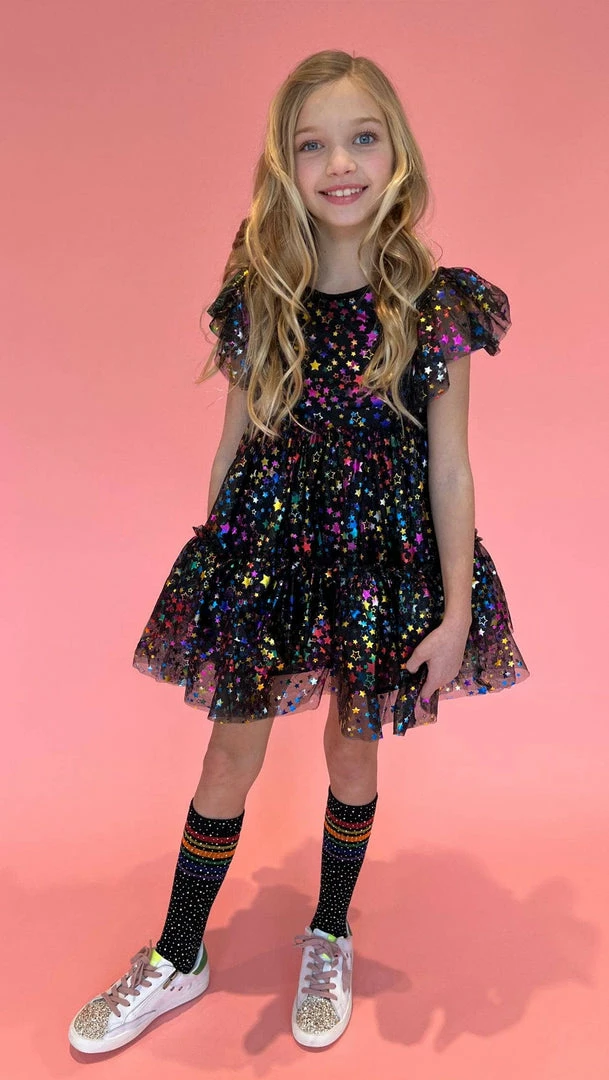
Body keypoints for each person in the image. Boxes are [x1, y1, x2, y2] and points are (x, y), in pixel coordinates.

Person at [68, 49, 530, 1055]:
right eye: (312, 146)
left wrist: (455, 613)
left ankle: (330, 930)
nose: (340, 165)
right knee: (227, 754)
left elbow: (451, 469)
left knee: (351, 752)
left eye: (362, 138)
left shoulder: (434, 305)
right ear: (286, 165)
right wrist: (220, 575)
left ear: (397, 152)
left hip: (375, 571)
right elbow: (232, 444)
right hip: (267, 562)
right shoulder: (260, 294)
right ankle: (178, 952)